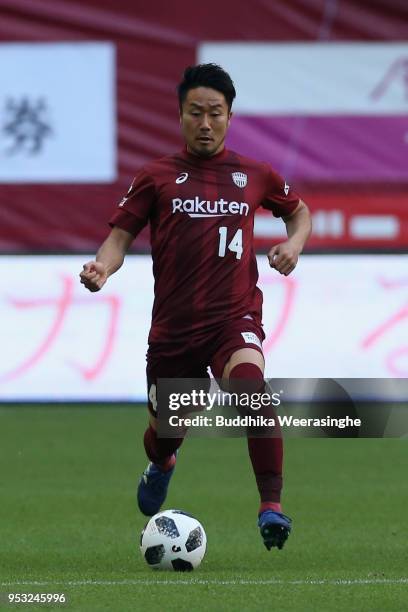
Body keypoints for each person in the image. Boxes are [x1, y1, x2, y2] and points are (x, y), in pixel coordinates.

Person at [80, 63, 312, 551]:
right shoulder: (156, 177)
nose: (205, 123)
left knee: (253, 393)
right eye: (195, 113)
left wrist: (294, 244)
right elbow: (119, 237)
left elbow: (299, 212)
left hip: (233, 319)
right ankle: (163, 461)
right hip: (174, 329)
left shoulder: (255, 174)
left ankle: (271, 505)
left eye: (215, 113)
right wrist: (103, 267)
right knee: (166, 432)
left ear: (230, 116)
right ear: (180, 116)